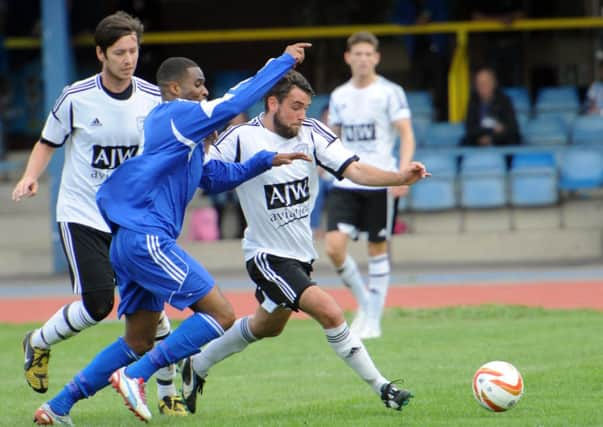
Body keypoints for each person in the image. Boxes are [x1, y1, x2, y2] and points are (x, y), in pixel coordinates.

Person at [32, 43, 311, 426]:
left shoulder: (187, 142)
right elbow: (231, 105)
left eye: (205, 85)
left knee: (138, 339)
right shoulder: (175, 116)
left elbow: (214, 178)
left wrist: (265, 160)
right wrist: (281, 64)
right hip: (146, 239)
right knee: (222, 314)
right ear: (175, 89)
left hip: (131, 242)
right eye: (197, 84)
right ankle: (135, 376)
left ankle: (57, 407)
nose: (203, 92)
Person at [179, 70, 428, 415]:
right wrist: (204, 148)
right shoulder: (240, 137)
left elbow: (354, 170)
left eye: (306, 107)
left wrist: (399, 177)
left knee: (267, 326)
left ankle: (197, 363)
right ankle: (383, 387)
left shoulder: (311, 133)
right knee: (330, 311)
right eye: (295, 106)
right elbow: (205, 176)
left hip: (300, 254)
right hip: (266, 255)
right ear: (272, 102)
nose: (301, 115)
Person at [11, 11, 187, 416]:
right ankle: (38, 342)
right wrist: (30, 177)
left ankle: (166, 393)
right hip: (82, 214)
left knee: (152, 309)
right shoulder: (76, 97)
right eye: (120, 52)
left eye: (134, 50)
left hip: (132, 218)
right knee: (97, 303)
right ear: (100, 54)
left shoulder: (151, 98)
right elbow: (46, 141)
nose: (129, 59)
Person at [325, 31, 416, 339]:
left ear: (376, 58)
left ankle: (373, 321)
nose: (363, 59)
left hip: (379, 180)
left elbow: (406, 133)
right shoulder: (338, 96)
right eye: (357, 54)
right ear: (348, 57)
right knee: (334, 247)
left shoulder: (391, 92)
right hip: (347, 180)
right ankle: (367, 306)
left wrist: (403, 172)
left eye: (368, 54)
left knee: (377, 248)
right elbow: (331, 138)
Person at [463, 67, 520, 147]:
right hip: (477, 143)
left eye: (486, 82)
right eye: (480, 83)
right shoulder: (473, 101)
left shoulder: (504, 101)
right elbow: (470, 128)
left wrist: (492, 138)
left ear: (494, 83)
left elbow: (512, 128)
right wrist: (491, 130)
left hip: (501, 144)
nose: (483, 86)